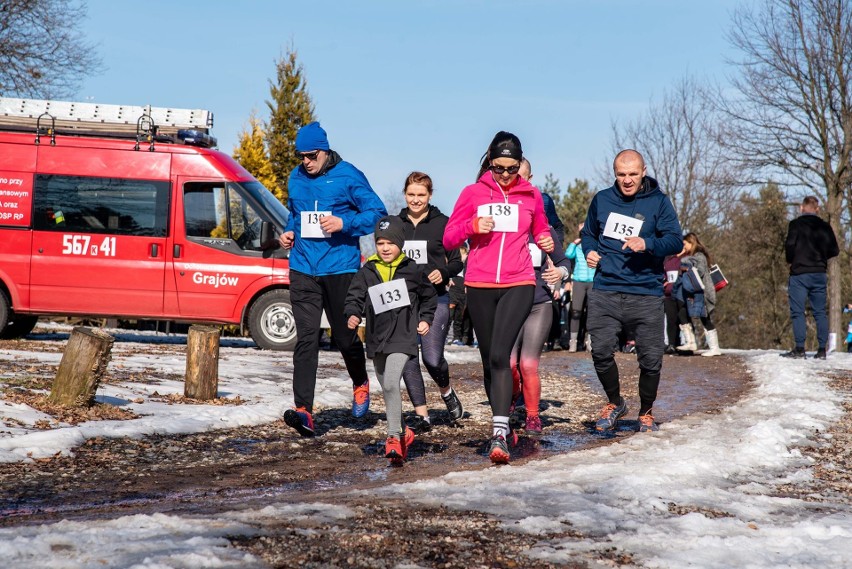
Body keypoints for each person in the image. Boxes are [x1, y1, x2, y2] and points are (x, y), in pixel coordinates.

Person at [444, 131, 553, 464]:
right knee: (490, 360)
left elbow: (541, 229)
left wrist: (545, 239)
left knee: (502, 355)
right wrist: (472, 225)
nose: (506, 174)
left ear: (520, 165)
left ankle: (499, 433)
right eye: (499, 167)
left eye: (512, 168)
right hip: (479, 284)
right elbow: (449, 238)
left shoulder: (531, 195)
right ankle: (504, 420)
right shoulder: (473, 193)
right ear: (490, 162)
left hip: (519, 282)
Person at [278, 122, 387, 437]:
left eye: (311, 155)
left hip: (341, 268)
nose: (306, 162)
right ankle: (304, 412)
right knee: (307, 338)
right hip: (303, 268)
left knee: (344, 336)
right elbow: (293, 214)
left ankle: (360, 381)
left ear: (325, 151)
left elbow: (378, 214)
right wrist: (288, 232)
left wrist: (345, 222)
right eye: (302, 156)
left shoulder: (349, 175)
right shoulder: (296, 178)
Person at [580, 149, 682, 433]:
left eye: (633, 174)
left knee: (650, 360)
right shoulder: (602, 199)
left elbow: (675, 241)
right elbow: (588, 233)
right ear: (615, 173)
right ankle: (615, 403)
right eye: (621, 174)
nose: (627, 180)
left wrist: (647, 243)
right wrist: (589, 251)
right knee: (600, 351)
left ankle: (646, 413)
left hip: (645, 292)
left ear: (644, 171)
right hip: (606, 288)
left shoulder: (658, 202)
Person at [344, 216, 436, 465]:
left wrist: (426, 319)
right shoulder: (367, 271)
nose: (385, 248)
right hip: (376, 340)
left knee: (393, 382)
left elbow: (429, 297)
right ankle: (405, 431)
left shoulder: (414, 269)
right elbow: (354, 297)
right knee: (386, 386)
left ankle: (393, 437)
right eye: (380, 242)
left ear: (400, 244)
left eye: (390, 243)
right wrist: (352, 313)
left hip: (404, 338)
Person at [395, 171, 465, 433]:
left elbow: (458, 260)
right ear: (405, 194)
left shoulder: (443, 223)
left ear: (430, 195)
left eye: (420, 195)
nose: (415, 200)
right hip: (404, 300)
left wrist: (444, 272)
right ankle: (422, 416)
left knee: (433, 359)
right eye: (411, 194)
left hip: (435, 298)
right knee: (408, 357)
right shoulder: (396, 224)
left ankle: (446, 392)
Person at [509, 230, 570, 433]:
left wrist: (561, 273)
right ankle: (511, 397)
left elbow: (564, 261)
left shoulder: (545, 232)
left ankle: (533, 415)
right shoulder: (504, 227)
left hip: (539, 303)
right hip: (508, 303)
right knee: (509, 364)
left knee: (528, 364)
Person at [781, 196, 839, 359]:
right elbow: (834, 250)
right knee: (820, 312)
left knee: (798, 311)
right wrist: (820, 257)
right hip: (819, 273)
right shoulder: (825, 227)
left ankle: (800, 348)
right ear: (817, 209)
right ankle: (822, 349)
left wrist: (792, 259)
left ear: (802, 208)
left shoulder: (795, 225)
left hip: (799, 273)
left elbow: (790, 246)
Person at [675, 233, 721, 356]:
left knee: (705, 318)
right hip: (697, 292)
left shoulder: (699, 255)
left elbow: (700, 271)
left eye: (685, 244)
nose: (683, 247)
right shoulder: (695, 255)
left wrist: (685, 263)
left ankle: (714, 348)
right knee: (689, 314)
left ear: (691, 242)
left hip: (703, 292)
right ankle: (694, 343)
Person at [565, 222, 594, 352]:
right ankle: (573, 342)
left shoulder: (595, 246)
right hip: (578, 282)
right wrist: (574, 243)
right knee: (576, 312)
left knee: (592, 313)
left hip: (592, 282)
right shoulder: (577, 247)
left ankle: (589, 341)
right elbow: (568, 255)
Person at [662, 253, 683, 354]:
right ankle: (672, 344)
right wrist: (665, 281)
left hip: (682, 294)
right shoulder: (666, 259)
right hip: (668, 294)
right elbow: (664, 274)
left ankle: (682, 343)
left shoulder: (684, 258)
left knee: (683, 320)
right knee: (671, 320)